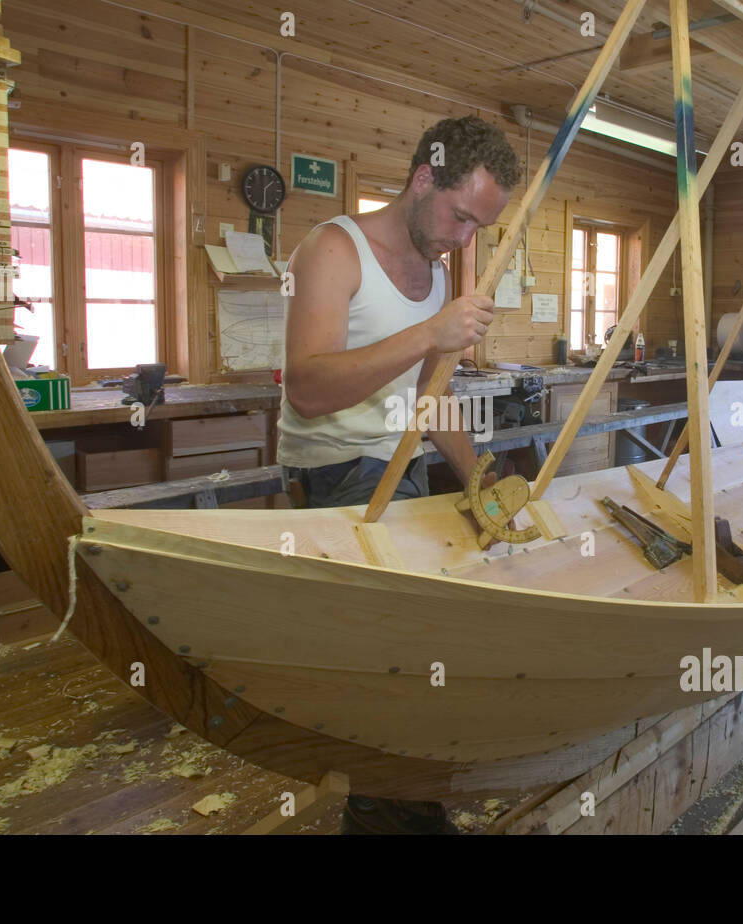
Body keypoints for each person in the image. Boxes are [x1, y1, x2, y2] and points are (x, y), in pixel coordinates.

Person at [277, 116, 522, 833]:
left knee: (420, 651)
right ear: (424, 179)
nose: (463, 237)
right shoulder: (332, 248)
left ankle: (402, 797)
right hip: (339, 476)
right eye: (460, 215)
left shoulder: (436, 270)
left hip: (401, 472)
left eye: (478, 225)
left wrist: (482, 487)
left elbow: (428, 397)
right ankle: (391, 810)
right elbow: (308, 388)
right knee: (398, 660)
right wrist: (430, 332)